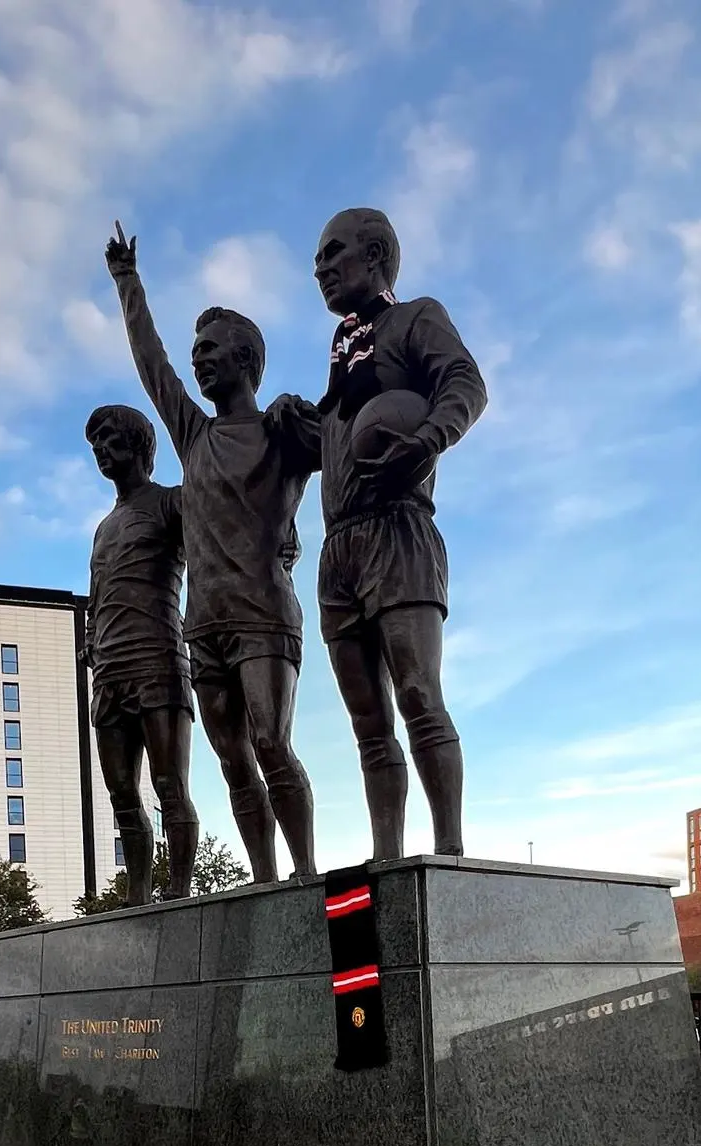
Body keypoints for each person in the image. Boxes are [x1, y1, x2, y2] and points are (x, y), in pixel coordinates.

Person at [269, 207, 487, 859]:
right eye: (316, 259)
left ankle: (448, 850)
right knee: (368, 723)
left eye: (333, 253)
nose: (321, 268)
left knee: (419, 693)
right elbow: (331, 446)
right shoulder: (342, 359)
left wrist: (425, 440)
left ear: (375, 256)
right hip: (340, 553)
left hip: (399, 534)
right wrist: (293, 421)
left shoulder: (415, 318)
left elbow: (465, 383)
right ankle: (387, 855)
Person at [105, 221, 317, 883]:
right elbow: (152, 365)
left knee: (270, 743)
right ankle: (264, 880)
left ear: (246, 360)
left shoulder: (283, 431)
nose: (198, 359)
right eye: (196, 349)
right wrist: (127, 283)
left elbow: (350, 439)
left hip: (262, 616)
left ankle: (306, 874)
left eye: (212, 349)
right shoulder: (193, 435)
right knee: (232, 762)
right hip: (204, 627)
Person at [83, 403, 199, 904]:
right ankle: (137, 892)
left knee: (168, 782)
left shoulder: (172, 503)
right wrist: (91, 643)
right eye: (95, 445)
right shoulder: (103, 527)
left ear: (137, 444)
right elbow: (95, 594)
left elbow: (221, 542)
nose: (101, 450)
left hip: (159, 660)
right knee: (121, 794)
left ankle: (178, 886)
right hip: (109, 670)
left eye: (109, 439)